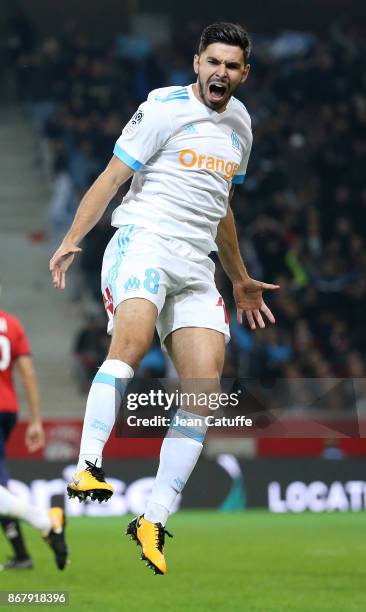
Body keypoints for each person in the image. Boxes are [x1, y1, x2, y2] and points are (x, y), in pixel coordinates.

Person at [50, 22, 279, 575]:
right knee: (128, 346)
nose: (221, 72)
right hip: (144, 242)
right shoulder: (161, 109)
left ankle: (151, 518)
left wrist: (240, 277)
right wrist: (72, 239)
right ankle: (87, 467)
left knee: (204, 393)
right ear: (197, 62)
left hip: (197, 266)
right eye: (213, 61)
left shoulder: (241, 127)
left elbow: (221, 206)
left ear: (244, 74)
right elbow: (110, 179)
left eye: (232, 65)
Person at [0, 304, 68, 570]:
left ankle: (47, 522)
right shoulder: (12, 324)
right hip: (7, 409)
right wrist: (36, 419)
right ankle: (22, 554)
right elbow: (27, 372)